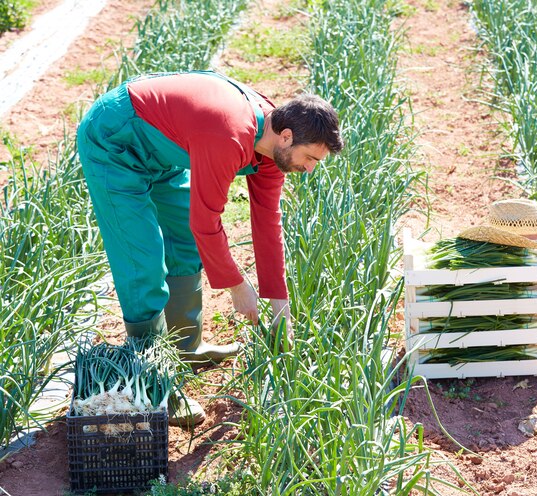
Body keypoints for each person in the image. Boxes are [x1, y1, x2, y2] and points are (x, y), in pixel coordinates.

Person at [76, 70, 344, 425]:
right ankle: (157, 386)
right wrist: (238, 287)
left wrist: (280, 306)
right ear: (287, 136)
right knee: (142, 262)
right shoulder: (230, 135)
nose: (309, 169)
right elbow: (206, 222)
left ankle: (186, 349)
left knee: (183, 244)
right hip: (116, 140)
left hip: (166, 149)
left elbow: (267, 223)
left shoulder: (272, 146)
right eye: (310, 157)